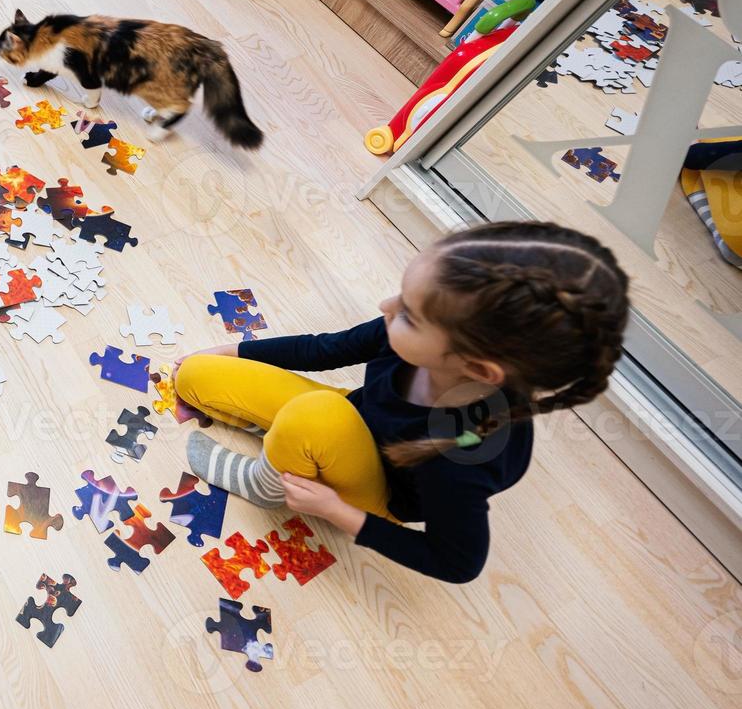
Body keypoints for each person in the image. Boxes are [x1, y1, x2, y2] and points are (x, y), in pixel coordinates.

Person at [175, 221, 629, 584]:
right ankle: (293, 444)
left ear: (477, 367)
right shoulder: (407, 332)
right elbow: (326, 349)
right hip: (350, 417)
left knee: (313, 416)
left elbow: (457, 564)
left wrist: (339, 512)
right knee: (196, 375)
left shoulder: (465, 454)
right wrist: (232, 351)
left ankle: (265, 483)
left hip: (377, 491)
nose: (387, 304)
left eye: (409, 313)